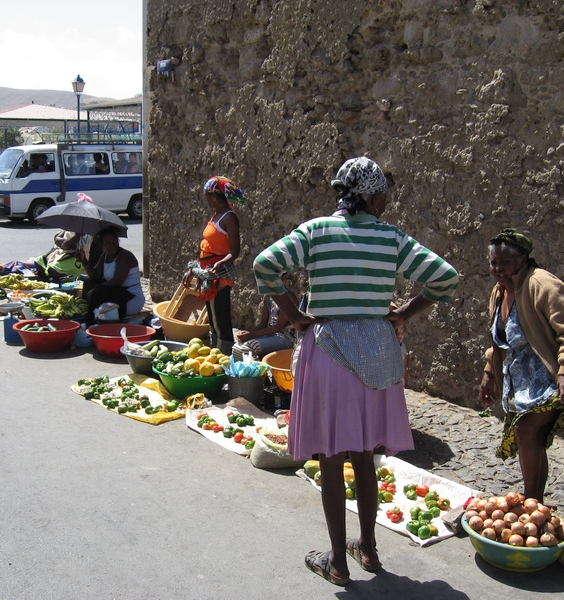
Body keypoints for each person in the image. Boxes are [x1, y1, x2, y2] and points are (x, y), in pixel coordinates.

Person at [253, 156, 459, 586]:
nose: (386, 201)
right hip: (377, 356)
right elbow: (445, 278)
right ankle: (367, 547)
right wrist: (404, 311)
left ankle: (338, 562)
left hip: (326, 352)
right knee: (365, 456)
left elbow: (264, 265)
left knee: (330, 460)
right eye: (384, 193)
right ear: (370, 195)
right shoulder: (391, 238)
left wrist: (293, 314)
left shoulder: (315, 232)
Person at [479, 228, 564, 503]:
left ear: (522, 260)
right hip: (522, 381)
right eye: (493, 262)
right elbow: (498, 338)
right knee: (532, 437)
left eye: (504, 262)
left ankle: (531, 502)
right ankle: (536, 501)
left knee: (526, 430)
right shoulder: (498, 293)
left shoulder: (543, 285)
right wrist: (489, 372)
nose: (497, 269)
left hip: (551, 376)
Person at [183, 175, 244, 354]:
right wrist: (192, 270)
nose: (207, 199)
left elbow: (235, 251)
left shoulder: (229, 218)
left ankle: (223, 356)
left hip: (219, 274)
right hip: (206, 272)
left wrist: (219, 263)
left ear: (215, 197)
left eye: (208, 196)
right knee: (212, 317)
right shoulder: (215, 215)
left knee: (220, 318)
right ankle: (215, 352)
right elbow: (206, 248)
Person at [80, 227, 145, 324]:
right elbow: (95, 275)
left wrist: (96, 290)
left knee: (99, 291)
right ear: (102, 245)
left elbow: (117, 281)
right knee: (89, 283)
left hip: (131, 298)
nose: (112, 245)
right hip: (116, 293)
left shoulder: (125, 256)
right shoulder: (105, 255)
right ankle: (91, 312)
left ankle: (90, 321)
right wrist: (83, 260)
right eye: (108, 243)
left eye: (114, 242)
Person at [231, 275, 297, 361]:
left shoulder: (288, 297)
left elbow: (279, 327)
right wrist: (248, 333)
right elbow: (263, 324)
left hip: (285, 338)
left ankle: (258, 372)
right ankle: (249, 371)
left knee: (247, 348)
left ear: (283, 277)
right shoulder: (268, 296)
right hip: (271, 335)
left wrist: (251, 335)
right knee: (237, 346)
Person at [0, 230, 86, 282]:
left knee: (28, 268)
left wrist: (74, 236)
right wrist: (65, 242)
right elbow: (58, 239)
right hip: (55, 255)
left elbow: (66, 244)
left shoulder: (84, 232)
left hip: (70, 263)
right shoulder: (69, 227)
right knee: (20, 263)